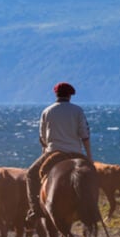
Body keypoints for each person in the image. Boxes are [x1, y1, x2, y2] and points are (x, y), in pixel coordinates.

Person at [26, 82, 92, 221]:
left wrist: (45, 153)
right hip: (75, 152)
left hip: (54, 152)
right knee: (92, 177)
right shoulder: (77, 111)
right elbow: (84, 135)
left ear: (56, 94)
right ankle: (93, 208)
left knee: (31, 175)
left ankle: (34, 210)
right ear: (70, 95)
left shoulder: (47, 111)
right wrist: (89, 157)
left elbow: (43, 138)